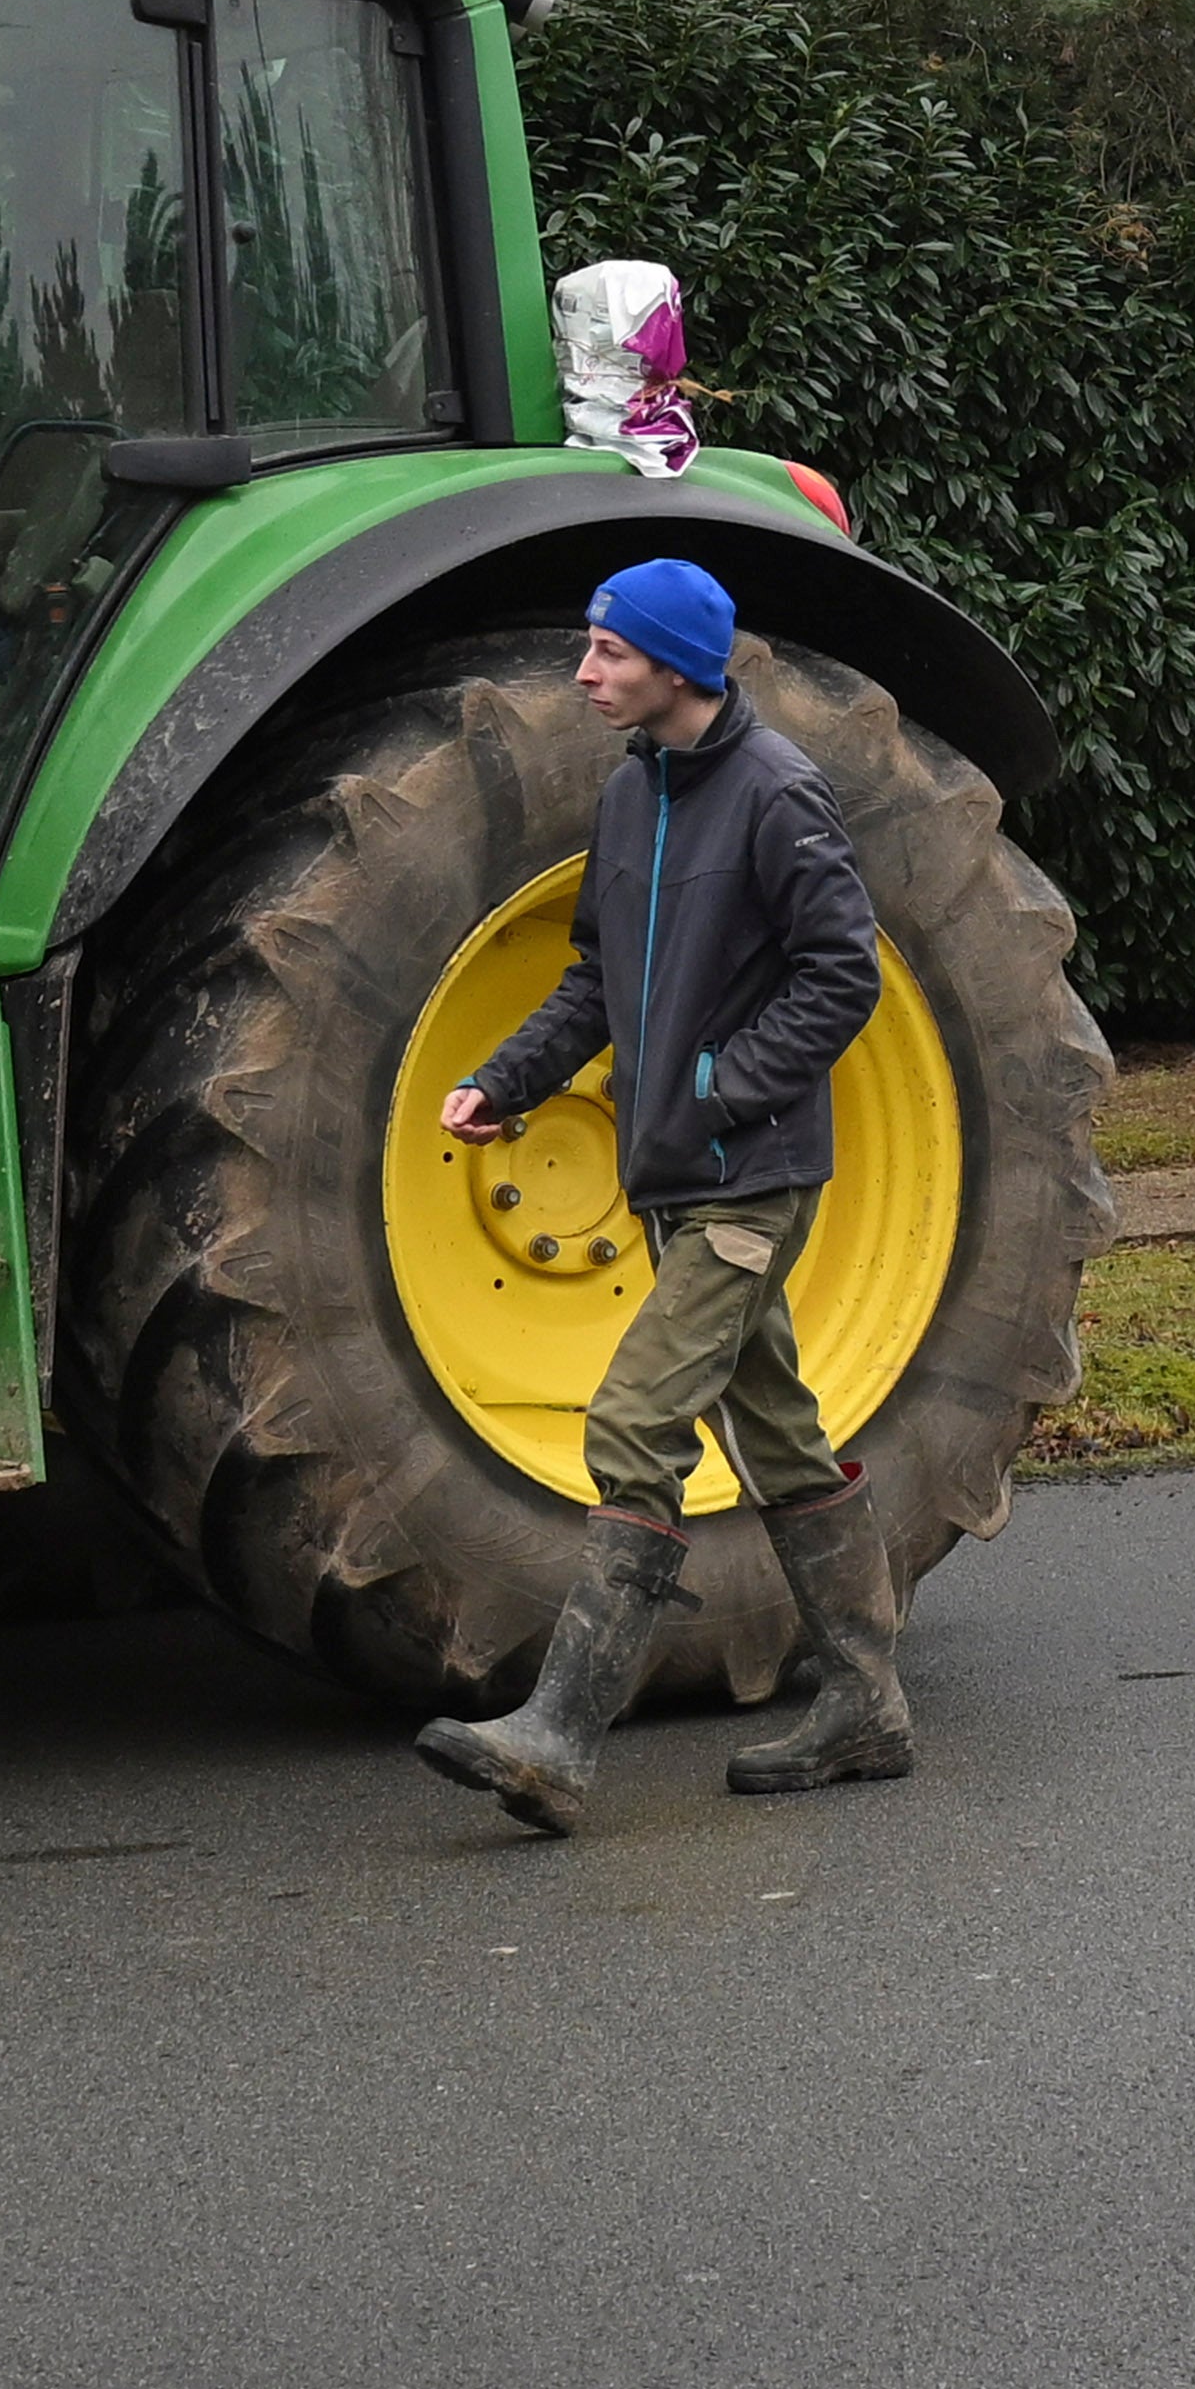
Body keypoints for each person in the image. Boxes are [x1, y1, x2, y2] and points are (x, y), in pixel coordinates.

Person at [412, 560, 905, 1832]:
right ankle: (866, 1704)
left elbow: (841, 975)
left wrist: (719, 1087)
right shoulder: (636, 796)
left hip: (750, 1177)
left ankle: (561, 1738)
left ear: (676, 664)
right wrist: (507, 1080)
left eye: (607, 652)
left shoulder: (778, 796)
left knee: (636, 1424)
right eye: (590, 648)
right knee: (778, 1430)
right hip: (677, 1174)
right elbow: (593, 980)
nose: (585, 672)